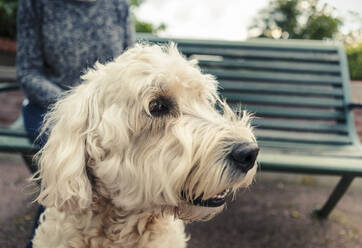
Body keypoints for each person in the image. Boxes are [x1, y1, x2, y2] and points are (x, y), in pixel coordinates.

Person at [16, 0, 135, 247]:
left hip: (108, 111)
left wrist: (100, 108)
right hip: (47, 106)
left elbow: (131, 68)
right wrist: (77, 107)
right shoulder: (35, 4)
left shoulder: (118, 5)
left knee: (124, 150)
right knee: (70, 155)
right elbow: (28, 72)